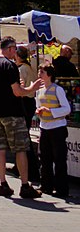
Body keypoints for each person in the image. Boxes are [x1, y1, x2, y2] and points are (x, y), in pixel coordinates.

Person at [0, 36, 41, 199]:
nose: (16, 52)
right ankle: (24, 185)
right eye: (14, 48)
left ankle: (3, 183)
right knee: (20, 148)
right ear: (9, 48)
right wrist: (32, 87)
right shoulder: (9, 66)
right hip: (12, 113)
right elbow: (17, 92)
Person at [35, 63, 71, 198]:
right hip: (44, 127)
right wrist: (38, 111)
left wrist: (50, 111)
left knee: (59, 159)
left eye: (42, 72)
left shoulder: (57, 89)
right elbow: (38, 105)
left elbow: (66, 109)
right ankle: (46, 186)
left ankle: (62, 189)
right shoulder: (39, 90)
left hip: (57, 128)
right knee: (44, 158)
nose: (40, 74)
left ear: (49, 74)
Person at [15, 45, 39, 182]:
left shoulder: (22, 69)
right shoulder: (30, 68)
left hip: (25, 102)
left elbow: (20, 88)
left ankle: (30, 169)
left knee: (24, 137)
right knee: (25, 135)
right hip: (30, 102)